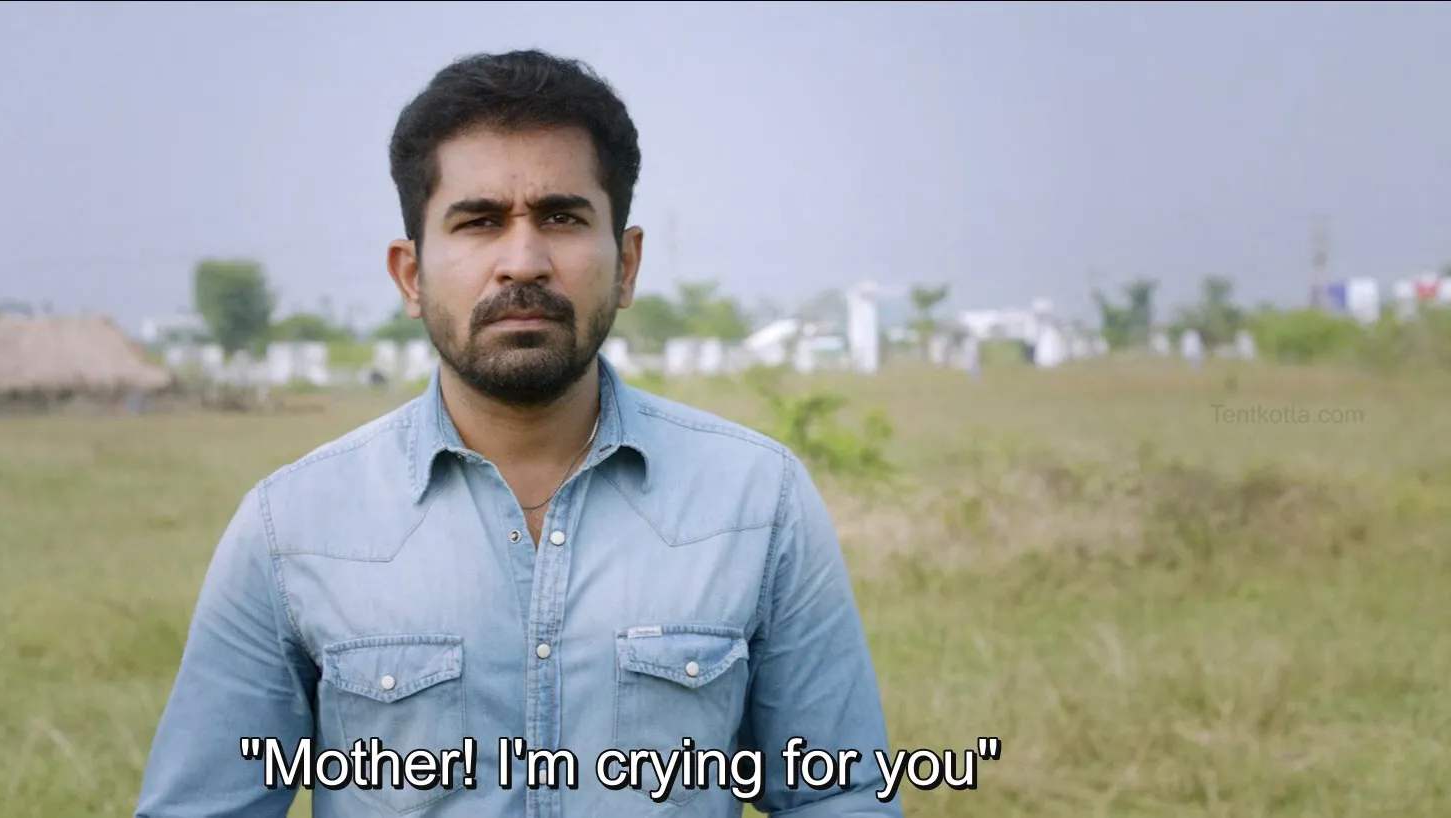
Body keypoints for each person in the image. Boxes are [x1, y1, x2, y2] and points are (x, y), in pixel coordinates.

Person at [134, 49, 900, 818]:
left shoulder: (756, 501)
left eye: (562, 218)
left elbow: (842, 797)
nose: (523, 262)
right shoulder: (293, 527)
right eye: (479, 221)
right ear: (410, 275)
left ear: (627, 264)